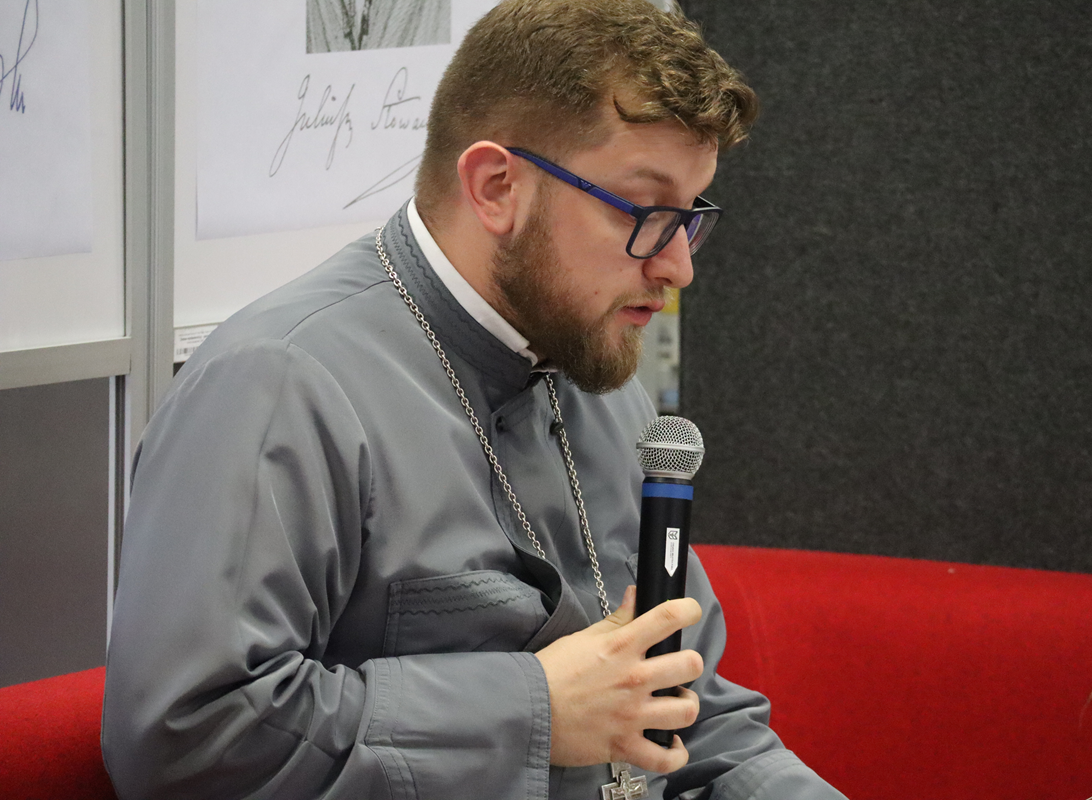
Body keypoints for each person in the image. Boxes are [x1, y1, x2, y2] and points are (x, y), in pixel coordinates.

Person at [102, 1, 848, 798]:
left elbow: (692, 716)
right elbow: (187, 739)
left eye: (690, 216)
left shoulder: (595, 366)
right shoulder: (280, 384)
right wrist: (534, 712)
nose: (677, 267)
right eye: (644, 213)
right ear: (497, 188)